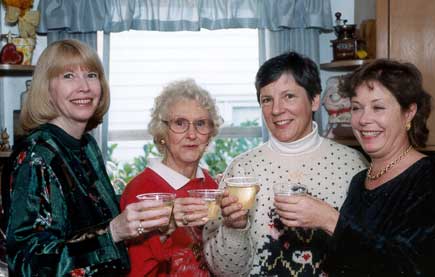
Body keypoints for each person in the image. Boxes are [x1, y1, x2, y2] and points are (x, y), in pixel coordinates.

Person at [2, 39, 172, 276]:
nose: (84, 87)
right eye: (68, 76)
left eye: (91, 75)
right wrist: (112, 232)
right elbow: (28, 265)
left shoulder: (87, 145)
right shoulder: (35, 157)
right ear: (46, 89)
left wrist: (152, 218)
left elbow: (96, 214)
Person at [274, 59, 435, 276]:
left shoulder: (432, 178)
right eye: (357, 108)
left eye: (378, 107)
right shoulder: (360, 180)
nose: (364, 119)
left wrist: (329, 220)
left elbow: (416, 268)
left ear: (409, 112)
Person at [203, 52, 367, 276]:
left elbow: (372, 257)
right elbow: (225, 271)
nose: (276, 110)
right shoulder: (240, 170)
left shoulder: (353, 165)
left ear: (315, 100)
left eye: (289, 96)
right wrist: (235, 228)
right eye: (267, 99)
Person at [120, 79, 223, 276]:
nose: (191, 134)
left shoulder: (211, 186)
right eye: (180, 123)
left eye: (200, 124)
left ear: (209, 133)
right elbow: (138, 271)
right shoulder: (141, 191)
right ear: (162, 133)